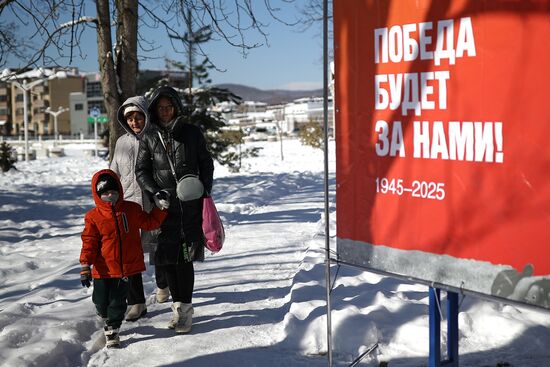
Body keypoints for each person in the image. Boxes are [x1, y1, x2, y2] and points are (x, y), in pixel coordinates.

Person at [135, 86, 214, 333]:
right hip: (162, 205)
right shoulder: (148, 136)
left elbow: (206, 163)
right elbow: (141, 171)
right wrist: (153, 192)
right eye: (160, 108)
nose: (165, 111)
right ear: (154, 110)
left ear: (176, 107)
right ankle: (177, 308)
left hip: (189, 205)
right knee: (166, 260)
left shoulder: (191, 132)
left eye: (169, 107)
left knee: (185, 257)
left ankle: (186, 309)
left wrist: (204, 191)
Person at [79, 169, 167, 348]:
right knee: (100, 301)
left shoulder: (132, 209)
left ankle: (112, 329)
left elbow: (150, 223)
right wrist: (85, 266)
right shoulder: (93, 217)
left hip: (125, 268)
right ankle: (106, 316)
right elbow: (89, 242)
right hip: (102, 269)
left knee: (118, 302)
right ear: (97, 194)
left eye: (113, 191)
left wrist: (161, 208)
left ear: (119, 190)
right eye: (105, 193)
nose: (110, 196)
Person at [110, 96, 170, 323]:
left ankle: (163, 284)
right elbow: (114, 171)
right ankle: (136, 302)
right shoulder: (121, 143)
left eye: (138, 117)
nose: (134, 121)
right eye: (130, 118)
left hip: (153, 203)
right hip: (128, 205)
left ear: (146, 115)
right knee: (130, 255)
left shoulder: (157, 137)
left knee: (159, 248)